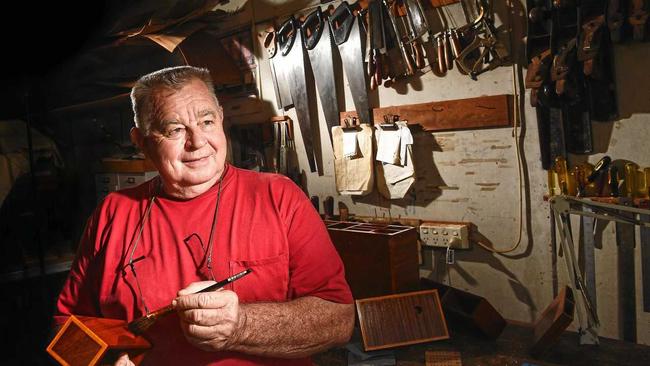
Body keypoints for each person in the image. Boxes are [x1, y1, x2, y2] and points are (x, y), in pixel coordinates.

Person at [53, 66, 355, 365]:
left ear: (221, 118)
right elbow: (67, 329)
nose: (197, 142)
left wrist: (242, 325)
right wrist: (107, 359)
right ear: (141, 141)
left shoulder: (279, 197)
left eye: (207, 121)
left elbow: (339, 321)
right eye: (174, 130)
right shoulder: (113, 212)